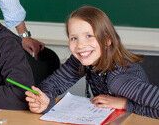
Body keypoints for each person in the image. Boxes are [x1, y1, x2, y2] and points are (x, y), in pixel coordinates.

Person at [25, 6, 159, 118]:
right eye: (73, 38)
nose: (80, 45)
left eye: (89, 36)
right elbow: (52, 84)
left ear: (107, 40)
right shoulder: (81, 59)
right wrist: (45, 100)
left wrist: (126, 105)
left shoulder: (119, 80)